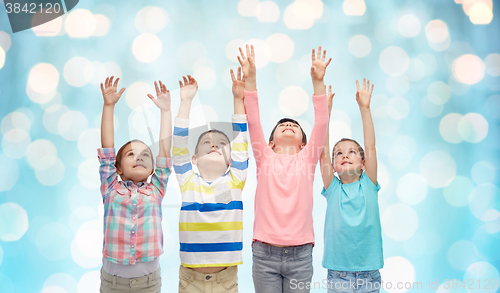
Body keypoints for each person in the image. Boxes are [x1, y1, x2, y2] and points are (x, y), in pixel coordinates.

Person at [238, 45, 330, 293]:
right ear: (270, 142)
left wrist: (318, 83)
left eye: (293, 125)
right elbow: (253, 119)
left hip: (300, 255)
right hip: (264, 253)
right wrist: (251, 79)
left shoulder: (308, 159)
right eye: (282, 125)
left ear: (304, 143)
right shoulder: (264, 157)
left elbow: (322, 122)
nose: (288, 124)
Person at [172, 73, 248, 293]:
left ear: (230, 161)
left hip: (226, 279)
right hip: (190, 279)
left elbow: (242, 141)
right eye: (207, 142)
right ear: (193, 159)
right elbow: (178, 148)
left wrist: (238, 100)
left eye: (222, 144)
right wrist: (186, 102)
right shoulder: (187, 181)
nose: (214, 146)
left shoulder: (235, 180)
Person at [97, 76, 172, 293]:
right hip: (113, 284)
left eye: (145, 155)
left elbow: (165, 154)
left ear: (153, 168)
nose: (139, 157)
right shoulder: (111, 187)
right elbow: (107, 150)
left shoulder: (156, 190)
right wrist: (108, 106)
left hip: (148, 284)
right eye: (131, 154)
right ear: (117, 167)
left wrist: (165, 112)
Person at [319, 79, 383, 293]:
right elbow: (322, 148)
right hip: (338, 274)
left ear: (364, 164)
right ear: (334, 167)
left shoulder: (369, 183)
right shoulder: (333, 188)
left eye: (352, 152)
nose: (345, 154)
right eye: (339, 153)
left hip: (369, 274)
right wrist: (325, 115)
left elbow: (371, 145)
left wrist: (365, 109)